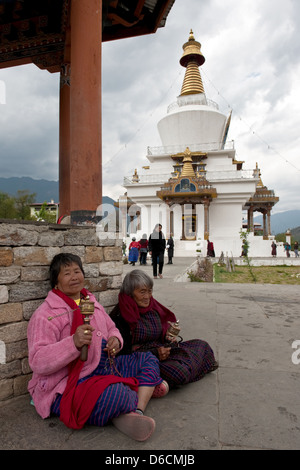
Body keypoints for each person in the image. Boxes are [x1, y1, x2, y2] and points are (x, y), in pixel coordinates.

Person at [27, 253, 165, 441]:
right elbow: (37, 361)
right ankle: (137, 395)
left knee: (148, 359)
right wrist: (72, 343)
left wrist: (115, 340)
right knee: (116, 395)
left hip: (104, 366)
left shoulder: (89, 301)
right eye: (67, 273)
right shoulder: (46, 314)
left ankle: (137, 410)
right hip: (70, 381)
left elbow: (111, 328)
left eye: (77, 271)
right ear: (56, 282)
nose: (74, 277)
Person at [110, 269, 218, 390]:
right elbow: (123, 356)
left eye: (149, 291)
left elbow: (161, 331)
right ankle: (153, 382)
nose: (147, 297)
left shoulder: (152, 306)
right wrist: (155, 354)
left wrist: (168, 336)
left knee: (203, 346)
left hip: (162, 350)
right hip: (143, 360)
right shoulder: (121, 316)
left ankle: (158, 380)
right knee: (179, 372)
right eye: (142, 292)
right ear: (130, 293)